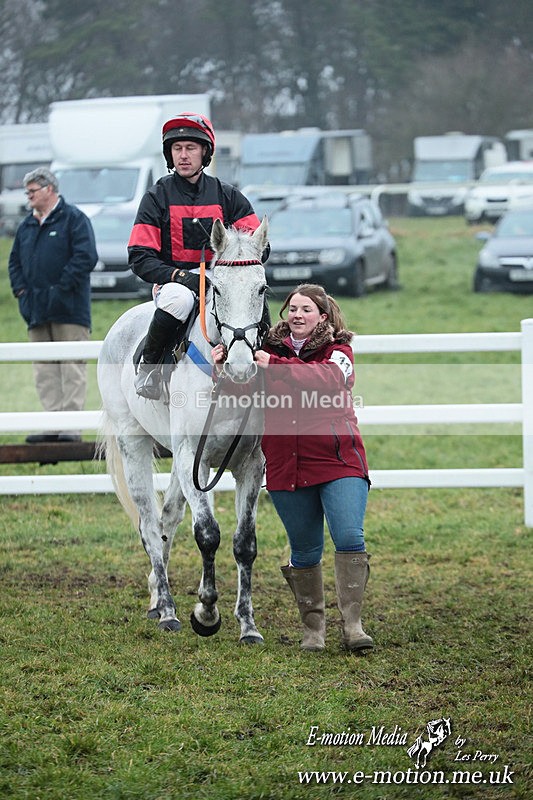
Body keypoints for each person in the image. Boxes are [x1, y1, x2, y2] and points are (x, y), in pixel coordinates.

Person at [212, 283, 373, 653]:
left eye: (306, 309)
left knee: (349, 537)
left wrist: (277, 367)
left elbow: (330, 381)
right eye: (293, 309)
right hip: (288, 464)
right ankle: (313, 631)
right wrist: (222, 371)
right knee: (304, 550)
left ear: (323, 316)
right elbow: (243, 396)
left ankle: (353, 627)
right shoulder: (267, 352)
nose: (297, 315)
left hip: (338, 460)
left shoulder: (339, 351)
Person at [128, 111, 269, 400]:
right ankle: (150, 368)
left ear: (205, 152)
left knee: (253, 295)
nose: (183, 155)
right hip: (175, 282)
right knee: (179, 300)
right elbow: (140, 256)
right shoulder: (156, 197)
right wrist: (180, 277)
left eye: (190, 148)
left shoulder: (227, 195)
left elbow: (260, 246)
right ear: (169, 154)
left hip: (221, 277)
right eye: (177, 148)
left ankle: (271, 366)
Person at [8, 167, 98, 443]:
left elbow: (86, 257)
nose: (28, 197)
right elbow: (14, 263)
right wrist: (22, 293)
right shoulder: (26, 226)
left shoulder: (74, 219)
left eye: (32, 191)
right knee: (44, 370)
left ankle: (71, 428)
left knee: (71, 367)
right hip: (35, 311)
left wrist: (59, 291)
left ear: (49, 189)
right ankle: (51, 423)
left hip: (69, 311)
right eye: (27, 192)